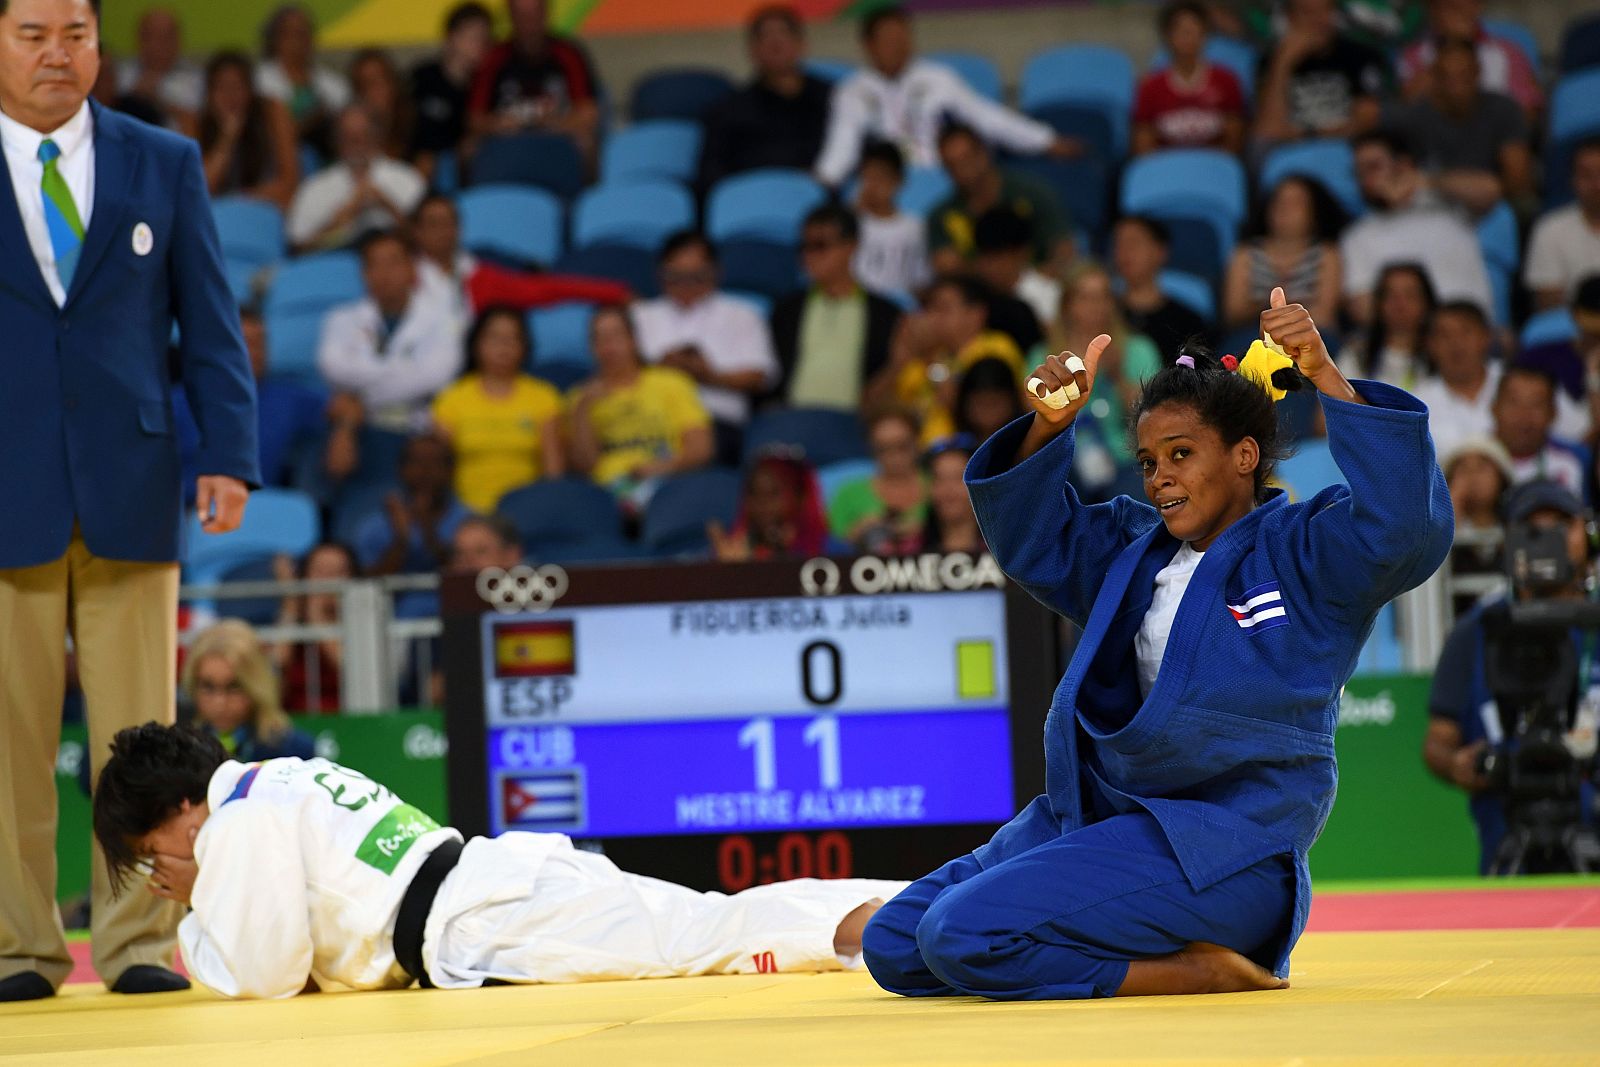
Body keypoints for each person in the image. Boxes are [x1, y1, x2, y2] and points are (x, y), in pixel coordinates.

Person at [863, 286, 1453, 1001]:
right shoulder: (1128, 549)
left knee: (960, 935)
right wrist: (1050, 427)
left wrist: (1327, 377)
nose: (1161, 475)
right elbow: (1031, 541)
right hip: (1106, 818)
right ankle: (1110, 932)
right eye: (1148, 462)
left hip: (1227, 848)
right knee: (893, 944)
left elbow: (1404, 533)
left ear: (1243, 456)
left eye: (1181, 453)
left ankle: (1190, 969)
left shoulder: (1301, 550)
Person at [0, 0, 258, 1003]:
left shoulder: (164, 158)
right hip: (7, 487)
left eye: (73, 32)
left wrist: (228, 451)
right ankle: (18, 947)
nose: (55, 52)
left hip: (133, 482)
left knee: (143, 738)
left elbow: (210, 319)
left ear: (100, 46)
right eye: (31, 33)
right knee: (9, 742)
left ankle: (141, 939)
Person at [92, 722, 904, 998]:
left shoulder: (236, 823)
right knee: (701, 917)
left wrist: (198, 908)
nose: (161, 874)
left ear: (177, 811)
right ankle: (915, 903)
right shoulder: (283, 777)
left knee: (705, 935)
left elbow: (269, 972)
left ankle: (899, 921)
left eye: (150, 854)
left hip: (488, 917)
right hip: (496, 886)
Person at [1425, 480, 1592, 874]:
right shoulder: (1476, 631)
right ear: (1508, 544)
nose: (1548, 540)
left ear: (1588, 537)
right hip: (1509, 829)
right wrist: (1457, 765)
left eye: (1562, 525)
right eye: (1533, 528)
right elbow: (1437, 742)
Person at [815, 5, 1074, 188]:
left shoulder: (938, 78)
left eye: (903, 37)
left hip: (941, 177)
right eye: (889, 39)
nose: (899, 45)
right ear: (868, 45)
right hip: (887, 185)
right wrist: (825, 178)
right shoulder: (852, 91)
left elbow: (984, 116)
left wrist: (1044, 140)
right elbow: (842, 144)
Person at [631, 232, 780, 462]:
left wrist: (709, 375)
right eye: (676, 276)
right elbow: (616, 373)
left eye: (697, 276)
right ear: (660, 274)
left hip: (717, 424)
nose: (686, 285)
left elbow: (761, 376)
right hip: (648, 424)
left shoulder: (742, 315)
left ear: (716, 272)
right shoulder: (640, 316)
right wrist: (662, 369)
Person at [1340, 128, 1493, 325]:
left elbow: (1490, 190)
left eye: (1373, 167)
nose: (1365, 179)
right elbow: (1363, 309)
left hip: (1476, 333)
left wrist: (1423, 181)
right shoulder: (1357, 237)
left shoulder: (1450, 206)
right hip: (1412, 343)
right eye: (1359, 172)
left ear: (1403, 164)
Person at [319, 230, 465, 434]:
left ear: (412, 269)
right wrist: (405, 370)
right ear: (364, 274)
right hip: (358, 426)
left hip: (418, 428)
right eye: (374, 265)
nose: (384, 273)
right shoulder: (340, 319)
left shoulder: (444, 319)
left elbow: (435, 377)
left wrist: (360, 398)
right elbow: (334, 369)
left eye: (393, 263)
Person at [566, 303, 714, 503]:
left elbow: (701, 449)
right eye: (600, 339)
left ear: (633, 340)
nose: (608, 347)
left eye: (616, 337)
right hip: (609, 495)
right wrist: (583, 410)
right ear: (591, 347)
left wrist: (659, 468)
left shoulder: (672, 383)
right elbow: (584, 467)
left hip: (669, 485)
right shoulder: (579, 397)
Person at [174, 308, 326, 497]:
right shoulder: (179, 403)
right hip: (189, 509)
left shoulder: (289, 398)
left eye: (261, 343)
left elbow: (339, 407)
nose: (256, 353)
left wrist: (346, 427)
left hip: (260, 512)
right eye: (246, 343)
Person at [430, 305, 566, 514]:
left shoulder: (544, 397)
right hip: (466, 515)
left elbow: (553, 473)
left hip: (526, 512)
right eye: (495, 337)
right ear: (476, 344)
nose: (504, 346)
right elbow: (438, 469)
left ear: (525, 346)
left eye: (513, 338)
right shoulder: (451, 398)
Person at [410, 193, 630, 320]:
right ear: (417, 232)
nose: (443, 232)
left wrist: (613, 292)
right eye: (433, 224)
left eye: (450, 223)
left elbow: (546, 289)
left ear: (460, 229)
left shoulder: (482, 278)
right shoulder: (404, 278)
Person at [770, 203, 903, 412]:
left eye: (820, 245)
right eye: (804, 246)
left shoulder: (887, 314)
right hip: (793, 418)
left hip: (856, 425)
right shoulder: (786, 309)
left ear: (851, 246)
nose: (809, 255)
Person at [1384, 37, 1533, 218]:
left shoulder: (1504, 109)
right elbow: (1403, 178)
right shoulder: (1414, 117)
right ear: (1434, 77)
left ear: (1478, 73)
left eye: (1464, 75)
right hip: (1432, 208)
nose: (1456, 86)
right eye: (1447, 77)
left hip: (1494, 206)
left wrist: (1475, 191)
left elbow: (1518, 182)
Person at [697, 5, 832, 190]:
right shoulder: (728, 111)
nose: (775, 43)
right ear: (752, 49)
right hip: (751, 203)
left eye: (784, 34)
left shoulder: (832, 100)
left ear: (802, 44)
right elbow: (711, 175)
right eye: (765, 36)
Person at [1049, 264, 1164, 474]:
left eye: (1103, 297)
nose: (1096, 306)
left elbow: (1154, 420)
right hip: (1065, 465)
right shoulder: (1046, 358)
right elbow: (1040, 426)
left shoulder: (1140, 350)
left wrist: (1118, 376)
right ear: (1067, 305)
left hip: (1128, 462)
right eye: (1085, 297)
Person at [888, 274, 1026, 445]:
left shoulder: (996, 347)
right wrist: (900, 358)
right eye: (930, 309)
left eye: (943, 309)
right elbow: (892, 411)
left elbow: (977, 412)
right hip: (923, 459)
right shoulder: (924, 358)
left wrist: (929, 359)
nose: (933, 318)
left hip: (974, 454)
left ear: (976, 315)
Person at [927, 122, 1073, 278]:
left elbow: (1064, 250)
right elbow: (946, 267)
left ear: (983, 153)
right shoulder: (941, 216)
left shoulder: (1032, 193)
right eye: (952, 165)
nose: (962, 169)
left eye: (966, 158)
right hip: (978, 296)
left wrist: (1034, 285)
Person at [467, 0, 600, 167]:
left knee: (586, 142)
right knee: (468, 148)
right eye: (521, 16)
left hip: (557, 137)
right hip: (506, 141)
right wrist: (497, 124)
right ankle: (475, 193)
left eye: (534, 15)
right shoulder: (494, 58)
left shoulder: (568, 55)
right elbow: (474, 118)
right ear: (511, 17)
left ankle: (590, 193)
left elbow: (589, 112)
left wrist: (556, 123)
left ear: (546, 15)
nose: (529, 23)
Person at [286, 104, 426, 253]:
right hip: (337, 270)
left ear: (377, 137)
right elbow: (298, 249)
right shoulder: (315, 187)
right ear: (335, 140)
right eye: (348, 136)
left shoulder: (407, 179)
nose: (356, 141)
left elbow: (431, 243)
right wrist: (344, 215)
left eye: (363, 134)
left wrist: (388, 206)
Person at [1252, 0, 1385, 147]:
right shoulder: (1271, 62)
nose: (1318, 20)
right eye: (1308, 13)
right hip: (1292, 154)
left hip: (1348, 148)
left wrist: (1310, 135)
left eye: (1325, 11)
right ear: (1289, 18)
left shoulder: (1359, 56)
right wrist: (1284, 62)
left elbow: (1367, 120)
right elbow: (1268, 131)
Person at [1223, 177, 1343, 336]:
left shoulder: (1327, 254)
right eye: (1278, 201)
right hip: (1254, 336)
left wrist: (1275, 309)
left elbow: (1325, 316)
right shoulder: (1245, 254)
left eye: (1295, 203)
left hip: (1310, 335)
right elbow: (1233, 314)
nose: (1283, 208)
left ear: (1315, 212)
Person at [183, 620, 315, 762]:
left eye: (233, 687)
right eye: (208, 687)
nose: (219, 703)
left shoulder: (294, 752)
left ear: (255, 684)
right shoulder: (183, 749)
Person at [1132, 1, 1247, 155]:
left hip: (1213, 168)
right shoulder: (1150, 87)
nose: (1187, 37)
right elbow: (1143, 145)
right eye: (1180, 30)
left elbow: (1234, 140)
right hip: (1167, 169)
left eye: (1193, 29)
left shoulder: (1226, 81)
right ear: (1167, 36)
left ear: (1205, 34)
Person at [1396, 0, 1541, 121]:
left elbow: (1529, 113)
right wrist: (1450, 47)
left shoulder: (1508, 54)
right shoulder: (1414, 55)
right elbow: (1406, 107)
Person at [198, 51, 299, 209]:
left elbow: (289, 182)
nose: (230, 96)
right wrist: (227, 139)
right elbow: (201, 190)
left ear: (250, 90)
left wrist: (242, 198)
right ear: (209, 95)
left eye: (237, 87)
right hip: (220, 215)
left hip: (266, 210)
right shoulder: (198, 123)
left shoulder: (271, 113)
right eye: (221, 88)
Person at [409, 2, 493, 181]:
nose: (480, 45)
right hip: (417, 162)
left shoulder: (487, 85)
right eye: (474, 37)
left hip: (465, 167)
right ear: (451, 37)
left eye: (485, 39)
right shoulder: (423, 78)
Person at [273, 541, 359, 714]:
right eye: (320, 571)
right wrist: (291, 604)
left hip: (350, 723)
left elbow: (356, 674)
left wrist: (317, 618)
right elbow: (276, 665)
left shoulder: (363, 623)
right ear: (304, 576)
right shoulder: (292, 620)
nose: (328, 581)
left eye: (337, 572)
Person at [828, 407, 928, 555]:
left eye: (902, 447)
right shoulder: (848, 494)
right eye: (883, 449)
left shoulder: (937, 488)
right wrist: (857, 533)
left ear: (917, 443)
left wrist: (926, 530)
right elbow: (827, 550)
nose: (894, 457)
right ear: (871, 449)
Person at [1411, 300, 1503, 460]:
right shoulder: (1416, 404)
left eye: (1465, 332)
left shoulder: (1516, 385)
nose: (1456, 343)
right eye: (1444, 335)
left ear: (1486, 337)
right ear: (1430, 345)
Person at [708, 451, 835, 562]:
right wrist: (729, 571)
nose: (762, 503)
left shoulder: (831, 550)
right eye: (753, 493)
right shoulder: (729, 553)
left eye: (773, 493)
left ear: (800, 496)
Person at [1112, 216, 1209, 358]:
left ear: (1160, 252)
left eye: (1134, 243)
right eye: (1118, 244)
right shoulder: (1103, 313)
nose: (1125, 252)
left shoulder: (1187, 323)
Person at [256, 3, 350, 150]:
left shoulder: (334, 84)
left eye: (302, 33)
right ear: (273, 38)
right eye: (289, 33)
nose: (297, 41)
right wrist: (312, 119)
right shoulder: (258, 81)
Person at [1524, 141, 1600, 311]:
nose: (1597, 185)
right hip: (1573, 329)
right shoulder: (1550, 229)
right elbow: (1548, 303)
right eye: (1587, 175)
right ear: (1573, 179)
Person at [1492, 366, 1587, 502]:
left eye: (1536, 404)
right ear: (1494, 408)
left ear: (1553, 413)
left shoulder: (1568, 465)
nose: (1523, 415)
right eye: (1514, 402)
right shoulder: (1471, 462)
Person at [1335, 263, 1436, 390]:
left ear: (1426, 303)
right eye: (1391, 295)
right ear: (1379, 303)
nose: (1400, 305)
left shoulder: (1442, 356)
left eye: (1410, 295)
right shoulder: (1357, 354)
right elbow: (1330, 405)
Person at [852, 140, 930, 298]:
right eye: (868, 177)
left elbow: (921, 280)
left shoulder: (915, 227)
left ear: (899, 181)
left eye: (881, 177)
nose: (875, 185)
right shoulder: (852, 223)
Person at [972, 207, 1061, 334]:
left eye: (996, 257)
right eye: (983, 257)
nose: (988, 267)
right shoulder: (973, 301)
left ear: (1021, 253)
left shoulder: (1050, 297)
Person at [115, 7, 201, 134]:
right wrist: (134, 97)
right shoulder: (120, 76)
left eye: (167, 37)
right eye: (151, 36)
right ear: (139, 39)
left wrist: (160, 102)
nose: (159, 45)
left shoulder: (195, 80)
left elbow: (202, 128)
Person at [921, 434, 985, 556]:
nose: (948, 490)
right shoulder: (909, 548)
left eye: (958, 478)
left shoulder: (1005, 552)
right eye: (939, 479)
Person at [348, 49, 414, 164]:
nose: (370, 92)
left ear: (393, 84)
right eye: (362, 85)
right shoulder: (349, 137)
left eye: (375, 82)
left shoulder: (416, 129)